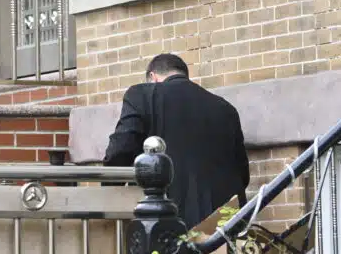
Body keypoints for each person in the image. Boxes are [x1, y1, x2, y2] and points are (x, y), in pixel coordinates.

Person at [103, 53, 250, 230]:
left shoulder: (141, 95)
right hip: (224, 224)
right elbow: (242, 173)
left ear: (152, 77)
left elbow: (121, 150)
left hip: (169, 220)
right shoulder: (226, 109)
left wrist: (110, 189)